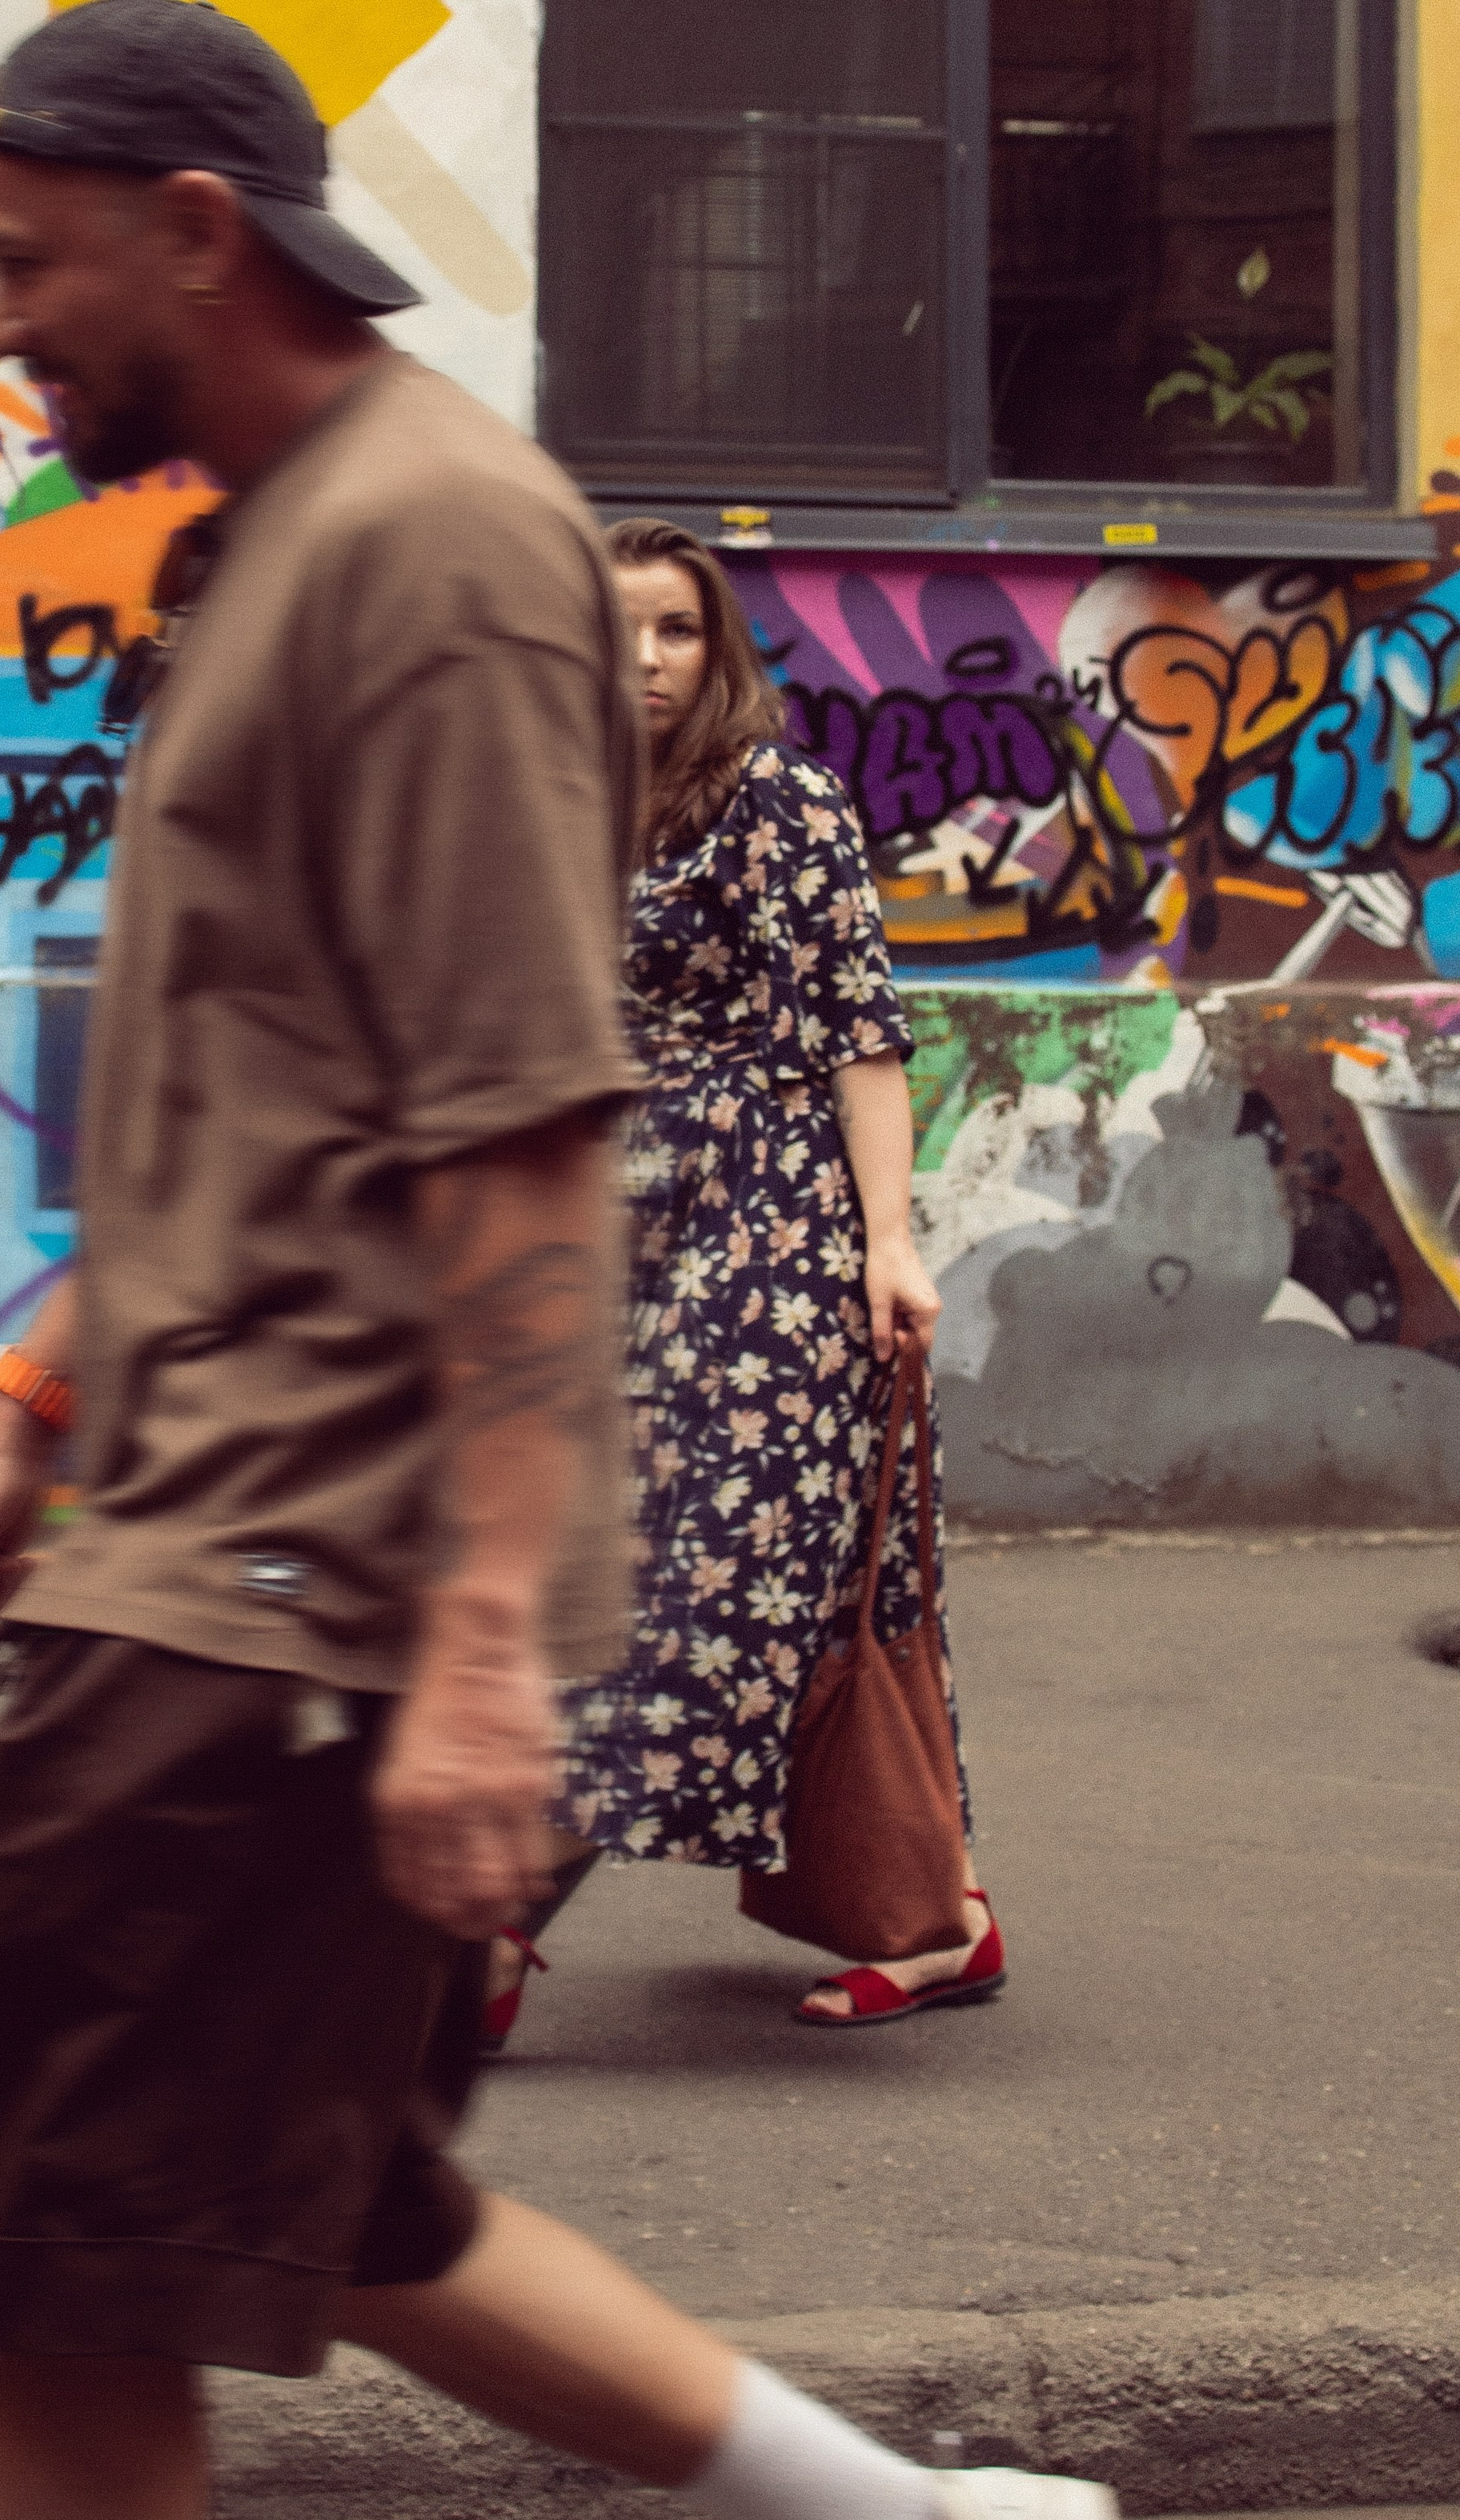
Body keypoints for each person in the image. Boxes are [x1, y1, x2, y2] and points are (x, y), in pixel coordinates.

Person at [0, 12, 1117, 2520]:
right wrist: (36, 1411)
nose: (3, 324)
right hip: (191, 1523)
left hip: (304, 1582)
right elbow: (257, 1085)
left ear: (196, 231)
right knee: (281, 2203)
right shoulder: (274, 548)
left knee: (84, 2254)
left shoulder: (442, 557)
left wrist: (481, 1650)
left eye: (27, 259)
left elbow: (512, 1123)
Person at [482, 518, 1001, 2044]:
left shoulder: (777, 799)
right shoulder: (570, 810)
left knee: (709, 1576)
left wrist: (890, 1240)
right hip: (621, 1240)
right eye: (616, 629)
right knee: (719, 1578)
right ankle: (940, 1918)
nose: (643, 661)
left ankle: (499, 1917)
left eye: (677, 632)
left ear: (720, 651)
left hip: (772, 1234)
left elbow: (861, 1033)